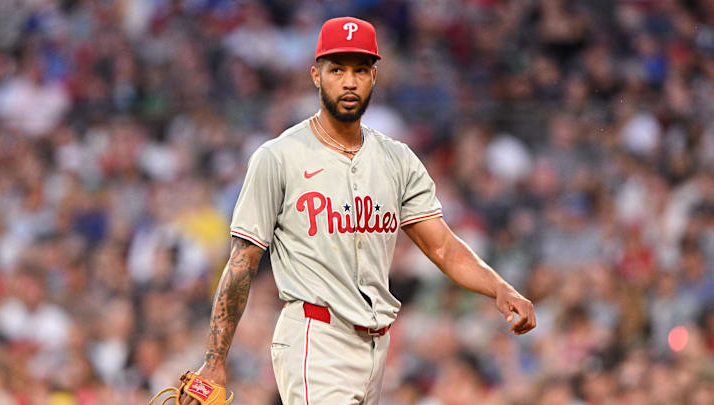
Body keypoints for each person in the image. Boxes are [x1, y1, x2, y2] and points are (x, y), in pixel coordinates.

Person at [178, 16, 535, 405]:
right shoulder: (278, 157)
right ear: (316, 75)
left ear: (374, 77)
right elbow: (243, 261)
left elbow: (443, 248)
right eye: (337, 70)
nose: (349, 82)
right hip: (314, 336)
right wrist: (215, 359)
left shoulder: (398, 160)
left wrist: (499, 287)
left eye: (361, 70)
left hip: (376, 346)